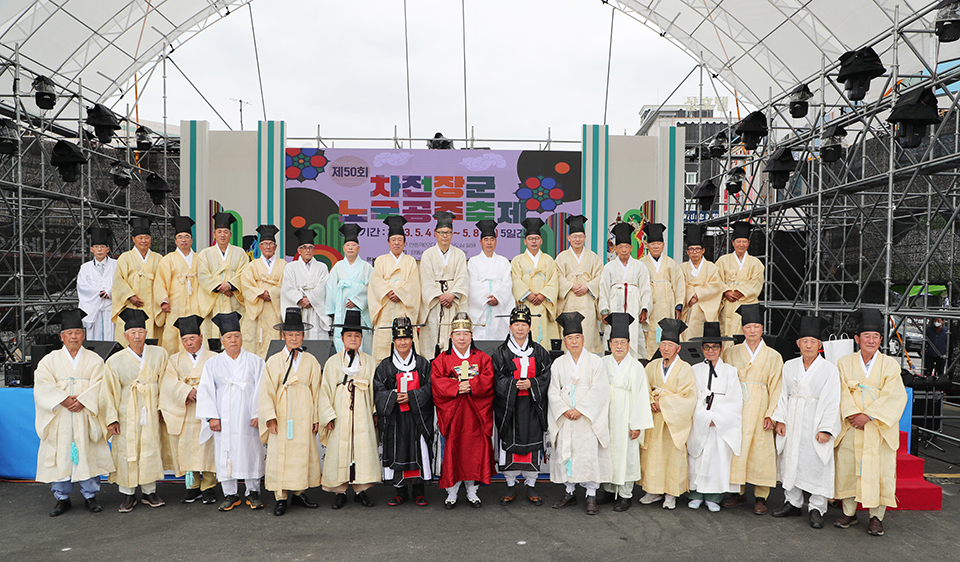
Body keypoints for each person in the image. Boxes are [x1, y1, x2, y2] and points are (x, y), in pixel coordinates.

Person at [834, 309, 908, 537]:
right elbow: (840, 391)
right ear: (857, 339)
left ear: (881, 340)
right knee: (847, 467)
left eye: (876, 336)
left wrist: (869, 416)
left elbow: (895, 396)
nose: (871, 340)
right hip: (851, 424)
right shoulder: (843, 362)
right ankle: (849, 511)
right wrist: (853, 414)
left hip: (877, 427)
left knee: (880, 470)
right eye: (867, 336)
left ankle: (877, 516)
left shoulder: (890, 365)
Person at [33, 309, 114, 516]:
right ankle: (62, 498)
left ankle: (90, 495)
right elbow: (42, 384)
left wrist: (83, 401)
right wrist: (63, 399)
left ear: (83, 335)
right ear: (62, 336)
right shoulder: (49, 360)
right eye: (69, 333)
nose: (74, 337)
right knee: (60, 453)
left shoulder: (95, 360)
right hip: (60, 414)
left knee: (88, 452)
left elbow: (101, 386)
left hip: (84, 415)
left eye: (78, 332)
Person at [771, 315, 841, 529]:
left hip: (815, 420)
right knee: (791, 459)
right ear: (798, 343)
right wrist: (780, 420)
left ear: (820, 345)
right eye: (805, 341)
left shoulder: (829, 369)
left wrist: (826, 429)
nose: (808, 345)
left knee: (817, 462)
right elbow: (781, 395)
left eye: (813, 341)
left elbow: (832, 400)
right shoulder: (789, 366)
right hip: (792, 418)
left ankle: (817, 507)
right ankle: (792, 501)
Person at [196, 311, 267, 512]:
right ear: (222, 340)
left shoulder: (255, 361)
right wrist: (212, 417)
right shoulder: (212, 364)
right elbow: (206, 390)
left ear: (242, 338)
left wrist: (257, 413)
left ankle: (253, 492)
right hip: (224, 417)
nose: (233, 340)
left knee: (250, 450)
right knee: (225, 452)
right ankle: (230, 493)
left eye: (237, 336)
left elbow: (262, 388)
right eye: (229, 337)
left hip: (247, 416)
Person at [102, 308, 169, 512]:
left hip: (151, 409)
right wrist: (112, 418)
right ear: (125, 336)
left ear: (146, 334)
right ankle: (128, 493)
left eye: (141, 331)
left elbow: (166, 383)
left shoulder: (160, 354)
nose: (137, 336)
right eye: (133, 333)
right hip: (126, 412)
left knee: (150, 447)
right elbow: (108, 392)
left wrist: (162, 408)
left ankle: (150, 492)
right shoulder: (114, 360)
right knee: (126, 451)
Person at [720, 303, 783, 515]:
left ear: (762, 329)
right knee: (738, 447)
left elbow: (777, 388)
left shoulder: (773, 356)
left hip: (761, 406)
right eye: (748, 327)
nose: (753, 330)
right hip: (738, 408)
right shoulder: (731, 353)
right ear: (743, 329)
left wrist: (771, 414)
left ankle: (761, 496)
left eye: (756, 326)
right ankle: (738, 492)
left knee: (761, 450)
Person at [259, 308, 322, 516]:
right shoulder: (273, 361)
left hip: (304, 414)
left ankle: (299, 492)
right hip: (282, 415)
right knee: (280, 455)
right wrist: (270, 418)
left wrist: (316, 418)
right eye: (290, 334)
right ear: (283, 336)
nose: (294, 338)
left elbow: (317, 391)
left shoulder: (311, 361)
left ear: (303, 336)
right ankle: (281, 497)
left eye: (298, 334)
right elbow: (265, 392)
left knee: (302, 453)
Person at [548, 311, 610, 516]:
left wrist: (581, 410)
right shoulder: (558, 363)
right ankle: (569, 491)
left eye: (577, 338)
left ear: (583, 339)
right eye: (569, 338)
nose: (573, 342)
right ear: (564, 341)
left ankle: (591, 494)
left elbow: (600, 390)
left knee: (588, 453)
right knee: (567, 453)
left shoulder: (595, 362)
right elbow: (552, 391)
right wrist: (565, 409)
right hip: (566, 416)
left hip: (586, 417)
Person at [431, 312, 495, 509]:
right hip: (454, 415)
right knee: (453, 450)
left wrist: (472, 385)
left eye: (465, 334)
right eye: (457, 334)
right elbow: (436, 381)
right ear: (450, 336)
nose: (461, 338)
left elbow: (489, 379)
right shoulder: (441, 360)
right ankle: (451, 492)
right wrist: (456, 387)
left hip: (476, 416)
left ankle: (472, 491)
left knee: (474, 452)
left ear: (472, 336)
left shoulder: (483, 358)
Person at [491, 303, 552, 506]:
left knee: (532, 442)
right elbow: (495, 378)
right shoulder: (500, 353)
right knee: (509, 443)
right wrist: (513, 385)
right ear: (510, 327)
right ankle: (510, 485)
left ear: (529, 327)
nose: (519, 328)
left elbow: (546, 376)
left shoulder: (540, 352)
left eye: (523, 324)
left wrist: (532, 384)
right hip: (510, 408)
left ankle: (531, 484)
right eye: (516, 324)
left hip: (533, 407)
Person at [317, 309, 379, 509]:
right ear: (342, 338)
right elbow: (324, 391)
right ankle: (340, 491)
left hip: (362, 414)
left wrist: (375, 412)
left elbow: (376, 389)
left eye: (357, 336)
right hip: (340, 414)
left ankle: (361, 489)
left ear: (362, 339)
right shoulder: (332, 362)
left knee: (361, 450)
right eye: (349, 335)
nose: (353, 339)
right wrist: (328, 416)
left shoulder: (369, 362)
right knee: (339, 451)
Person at [373, 316, 434, 506]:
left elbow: (430, 388)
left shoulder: (423, 364)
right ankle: (400, 491)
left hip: (417, 418)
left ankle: (418, 491)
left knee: (419, 450)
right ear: (393, 341)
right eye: (399, 339)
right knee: (397, 450)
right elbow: (378, 390)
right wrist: (393, 397)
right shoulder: (385, 366)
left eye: (406, 338)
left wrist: (413, 396)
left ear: (411, 340)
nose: (402, 342)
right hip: (396, 419)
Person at [158, 315, 218, 505]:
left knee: (208, 449)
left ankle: (208, 487)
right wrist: (187, 392)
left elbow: (219, 382)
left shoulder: (213, 358)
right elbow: (167, 383)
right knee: (187, 449)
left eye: (192, 338)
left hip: (206, 410)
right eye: (184, 340)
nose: (189, 343)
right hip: (185, 410)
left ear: (201, 336)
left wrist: (200, 393)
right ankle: (192, 487)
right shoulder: (174, 360)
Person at [638, 318, 697, 510]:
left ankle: (671, 494)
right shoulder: (652, 366)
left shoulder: (686, 369)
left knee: (672, 455)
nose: (666, 348)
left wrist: (662, 401)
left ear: (678, 348)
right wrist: (650, 400)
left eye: (670, 345)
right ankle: (653, 490)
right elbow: (643, 387)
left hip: (673, 420)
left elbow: (689, 396)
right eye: (663, 344)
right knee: (653, 454)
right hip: (655, 418)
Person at [600, 313, 654, 512]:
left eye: (623, 342)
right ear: (610, 343)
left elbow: (641, 397)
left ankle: (625, 494)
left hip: (627, 416)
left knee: (627, 454)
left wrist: (637, 425)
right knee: (607, 452)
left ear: (629, 343)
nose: (619, 346)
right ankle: (607, 489)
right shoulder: (603, 364)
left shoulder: (636, 367)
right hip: (607, 415)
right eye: (615, 342)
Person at [687, 322, 742, 512]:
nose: (711, 351)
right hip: (700, 420)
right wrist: (703, 416)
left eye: (715, 347)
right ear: (702, 349)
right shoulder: (693, 370)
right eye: (707, 347)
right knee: (697, 458)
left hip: (720, 423)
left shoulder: (730, 372)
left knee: (717, 459)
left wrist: (715, 417)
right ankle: (695, 494)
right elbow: (691, 397)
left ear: (721, 348)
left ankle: (713, 496)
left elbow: (734, 400)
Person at [369, 215, 421, 360]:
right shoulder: (380, 260)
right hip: (385, 308)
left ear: (404, 242)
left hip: (403, 308)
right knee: (383, 350)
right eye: (393, 240)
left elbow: (414, 285)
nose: (396, 243)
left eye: (400, 240)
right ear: (388, 242)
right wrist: (388, 292)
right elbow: (375, 283)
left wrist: (400, 293)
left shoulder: (410, 261)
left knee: (405, 344)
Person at [419, 211, 469, 359]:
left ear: (452, 234)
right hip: (435, 303)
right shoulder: (428, 254)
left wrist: (452, 295)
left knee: (452, 335)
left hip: (452, 302)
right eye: (441, 232)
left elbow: (462, 277)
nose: (444, 236)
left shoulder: (459, 254)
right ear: (435, 233)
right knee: (432, 335)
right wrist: (440, 296)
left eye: (448, 232)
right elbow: (426, 280)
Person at [599, 222, 652, 358]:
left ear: (631, 248)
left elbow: (646, 289)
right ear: (615, 248)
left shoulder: (640, 266)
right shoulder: (609, 267)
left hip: (634, 307)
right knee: (614, 337)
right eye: (620, 247)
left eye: (626, 247)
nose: (624, 250)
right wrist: (605, 311)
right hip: (614, 307)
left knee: (634, 336)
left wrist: (644, 309)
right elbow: (603, 290)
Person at [555, 215, 603, 355]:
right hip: (569, 300)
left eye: (580, 236)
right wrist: (571, 285)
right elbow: (556, 276)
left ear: (585, 237)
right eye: (574, 236)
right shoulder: (562, 257)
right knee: (569, 335)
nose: (577, 239)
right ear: (569, 238)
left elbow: (600, 276)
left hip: (587, 301)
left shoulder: (593, 257)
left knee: (587, 334)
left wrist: (588, 286)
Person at [197, 212, 249, 341]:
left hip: (233, 299)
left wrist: (230, 285)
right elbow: (202, 275)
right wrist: (219, 287)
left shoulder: (240, 252)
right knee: (213, 333)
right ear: (214, 234)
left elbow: (244, 272)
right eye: (219, 231)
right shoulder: (205, 253)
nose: (222, 235)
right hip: (214, 299)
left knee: (233, 334)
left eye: (226, 232)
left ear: (230, 234)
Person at [154, 217, 200, 356]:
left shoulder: (199, 258)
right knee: (173, 332)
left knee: (196, 330)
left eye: (187, 237)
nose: (183, 240)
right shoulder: (167, 259)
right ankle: (174, 364)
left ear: (191, 240)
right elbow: (160, 282)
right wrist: (163, 300)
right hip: (175, 303)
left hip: (196, 301)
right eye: (180, 237)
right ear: (175, 241)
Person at [111, 218, 162, 343]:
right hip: (131, 304)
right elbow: (118, 280)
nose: (143, 241)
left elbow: (162, 281)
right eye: (140, 238)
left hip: (151, 304)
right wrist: (130, 296)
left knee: (150, 335)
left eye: (146, 237)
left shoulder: (158, 258)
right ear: (133, 239)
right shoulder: (125, 257)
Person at [325, 224, 374, 356]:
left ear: (358, 248)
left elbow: (372, 287)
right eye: (348, 245)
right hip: (342, 309)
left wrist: (357, 301)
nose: (350, 248)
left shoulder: (366, 267)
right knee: (343, 338)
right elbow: (330, 288)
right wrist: (333, 310)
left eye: (353, 245)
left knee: (361, 338)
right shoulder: (337, 267)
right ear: (343, 248)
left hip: (360, 310)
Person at [511, 217, 559, 348]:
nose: (534, 241)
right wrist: (527, 294)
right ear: (525, 241)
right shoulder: (517, 260)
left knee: (545, 341)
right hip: (526, 304)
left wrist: (543, 294)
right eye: (531, 239)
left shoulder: (549, 260)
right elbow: (515, 280)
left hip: (543, 305)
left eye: (536, 238)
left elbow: (554, 281)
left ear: (541, 241)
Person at [639, 222, 685, 359]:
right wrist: (642, 308)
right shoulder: (641, 263)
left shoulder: (671, 263)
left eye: (659, 243)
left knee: (667, 336)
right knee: (650, 337)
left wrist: (678, 305)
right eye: (652, 244)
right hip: (650, 308)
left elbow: (679, 284)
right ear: (647, 245)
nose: (656, 246)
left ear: (663, 245)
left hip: (667, 306)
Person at [240, 224, 286, 358]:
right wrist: (260, 293)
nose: (268, 247)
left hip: (274, 308)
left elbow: (286, 284)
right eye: (265, 244)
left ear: (276, 247)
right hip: (257, 309)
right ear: (259, 246)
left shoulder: (283, 265)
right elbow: (246, 284)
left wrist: (271, 293)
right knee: (253, 341)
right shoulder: (251, 266)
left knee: (274, 338)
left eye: (271, 244)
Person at [716, 222, 764, 342]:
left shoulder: (755, 263)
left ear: (748, 243)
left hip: (746, 304)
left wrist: (740, 292)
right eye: (738, 241)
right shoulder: (722, 261)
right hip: (728, 303)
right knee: (726, 334)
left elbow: (757, 282)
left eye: (744, 242)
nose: (741, 245)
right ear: (733, 243)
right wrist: (726, 291)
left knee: (745, 333)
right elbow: (716, 279)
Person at [280, 227, 331, 341]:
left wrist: (310, 299)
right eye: (304, 248)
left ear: (314, 250)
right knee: (297, 339)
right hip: (298, 308)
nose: (307, 250)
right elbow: (287, 288)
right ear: (299, 250)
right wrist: (300, 299)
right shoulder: (290, 267)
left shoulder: (322, 267)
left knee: (316, 339)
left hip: (315, 309)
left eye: (310, 248)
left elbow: (324, 286)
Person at [466, 220, 514, 341]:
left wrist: (497, 297)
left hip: (499, 304)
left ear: (496, 242)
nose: (489, 242)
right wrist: (487, 298)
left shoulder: (503, 261)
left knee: (500, 335)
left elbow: (507, 283)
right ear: (480, 242)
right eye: (486, 239)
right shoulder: (473, 261)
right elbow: (473, 284)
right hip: (481, 306)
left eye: (492, 239)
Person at [680, 224, 723, 342]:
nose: (695, 252)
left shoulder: (712, 267)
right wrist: (690, 296)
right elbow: (680, 285)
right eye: (691, 249)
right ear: (687, 251)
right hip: (689, 308)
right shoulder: (681, 268)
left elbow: (715, 287)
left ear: (703, 250)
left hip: (705, 309)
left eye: (697, 249)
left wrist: (697, 295)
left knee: (705, 340)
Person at [76, 227, 116, 340]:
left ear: (107, 249)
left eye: (102, 247)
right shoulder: (85, 268)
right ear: (91, 249)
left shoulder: (116, 265)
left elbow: (121, 284)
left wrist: (110, 292)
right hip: (94, 311)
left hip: (110, 309)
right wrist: (100, 292)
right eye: (96, 247)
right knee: (95, 339)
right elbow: (83, 288)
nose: (99, 250)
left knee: (112, 338)